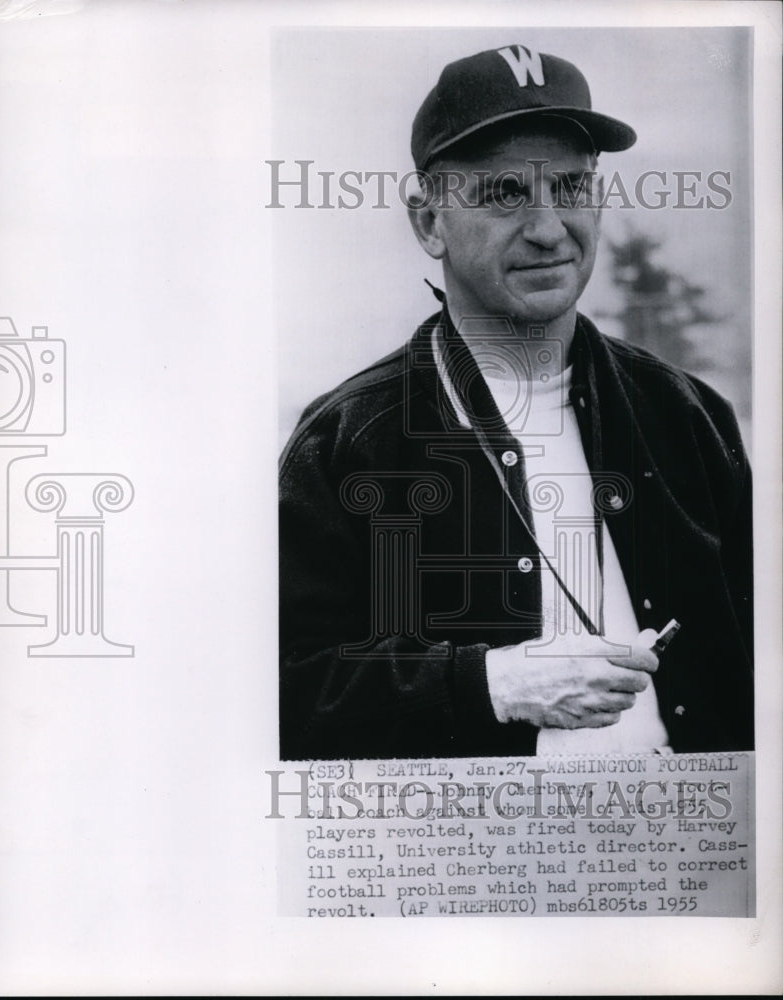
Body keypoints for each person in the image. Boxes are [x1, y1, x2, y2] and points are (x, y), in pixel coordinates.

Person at [278, 43, 753, 760]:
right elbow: (282, 696)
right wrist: (491, 685)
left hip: (687, 856)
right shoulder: (346, 442)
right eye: (504, 194)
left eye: (569, 188)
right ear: (428, 222)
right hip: (474, 864)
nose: (546, 228)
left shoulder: (687, 415)